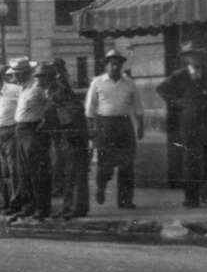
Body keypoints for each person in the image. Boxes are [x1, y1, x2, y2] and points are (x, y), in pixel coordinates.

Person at [156, 42, 207, 208]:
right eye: (191, 55)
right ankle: (191, 198)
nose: (195, 58)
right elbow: (161, 89)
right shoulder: (179, 76)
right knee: (190, 160)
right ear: (186, 59)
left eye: (198, 55)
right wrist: (178, 102)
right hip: (190, 122)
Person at [87, 50, 145, 209]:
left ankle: (125, 200)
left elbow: (138, 106)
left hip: (124, 126)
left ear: (121, 66)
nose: (115, 67)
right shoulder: (97, 82)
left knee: (127, 164)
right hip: (104, 126)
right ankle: (101, 187)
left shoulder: (129, 83)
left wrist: (140, 125)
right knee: (105, 164)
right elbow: (90, 108)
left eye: (118, 64)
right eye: (112, 63)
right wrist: (91, 130)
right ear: (106, 65)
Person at [11, 62, 55, 221]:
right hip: (21, 130)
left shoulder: (38, 88)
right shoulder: (24, 88)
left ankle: (42, 207)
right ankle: (30, 204)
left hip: (33, 130)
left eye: (18, 73)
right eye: (14, 73)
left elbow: (50, 107)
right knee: (24, 172)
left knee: (37, 171)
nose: (15, 76)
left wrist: (44, 123)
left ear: (25, 73)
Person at [47, 59, 90, 219]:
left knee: (75, 173)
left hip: (72, 138)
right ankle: (69, 207)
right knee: (69, 174)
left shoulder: (65, 102)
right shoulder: (64, 100)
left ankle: (76, 208)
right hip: (69, 137)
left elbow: (66, 122)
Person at [0, 64, 23, 214]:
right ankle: (8, 200)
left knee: (14, 169)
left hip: (12, 131)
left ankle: (16, 202)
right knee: (4, 171)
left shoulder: (14, 90)